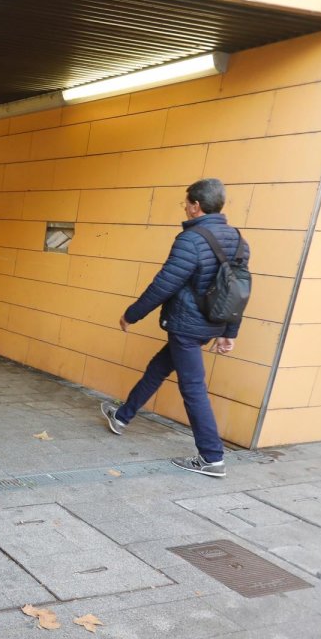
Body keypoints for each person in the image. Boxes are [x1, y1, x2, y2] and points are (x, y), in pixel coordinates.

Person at [100, 178, 249, 478]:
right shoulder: (237, 239)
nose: (185, 207)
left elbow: (164, 284)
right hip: (210, 324)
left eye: (186, 203)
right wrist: (228, 331)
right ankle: (122, 416)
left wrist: (132, 314)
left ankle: (211, 457)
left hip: (186, 326)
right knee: (158, 368)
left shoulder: (190, 240)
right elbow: (239, 288)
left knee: (193, 387)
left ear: (196, 206)